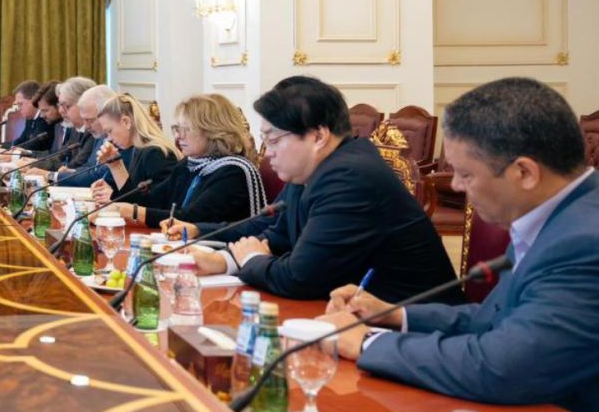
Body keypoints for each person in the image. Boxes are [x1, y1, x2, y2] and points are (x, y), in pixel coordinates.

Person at [321, 78, 599, 410]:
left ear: (525, 172)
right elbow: (498, 318)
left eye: (466, 175)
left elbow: (506, 368)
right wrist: (394, 315)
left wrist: (367, 343)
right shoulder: (553, 215)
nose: (454, 186)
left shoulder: (583, 241)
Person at [178, 76, 460, 303]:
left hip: (416, 330)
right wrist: (222, 261)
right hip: (351, 316)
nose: (268, 152)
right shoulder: (313, 171)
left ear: (318, 136)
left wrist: (250, 259)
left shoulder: (350, 178)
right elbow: (277, 236)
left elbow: (299, 279)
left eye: (274, 140)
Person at [118, 94, 268, 228]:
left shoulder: (234, 172)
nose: (178, 136)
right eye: (177, 129)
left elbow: (190, 220)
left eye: (186, 129)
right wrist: (116, 166)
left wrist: (135, 212)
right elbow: (151, 202)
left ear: (212, 131)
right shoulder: (189, 164)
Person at [90, 93, 180, 209]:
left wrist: (116, 166)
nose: (109, 139)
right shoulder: (136, 150)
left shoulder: (155, 153)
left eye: (109, 131)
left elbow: (152, 207)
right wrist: (111, 190)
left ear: (126, 122)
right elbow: (135, 196)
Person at [57, 84, 115, 188]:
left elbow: (98, 176)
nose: (86, 126)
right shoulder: (100, 136)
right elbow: (90, 166)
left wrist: (54, 176)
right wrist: (72, 172)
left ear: (107, 114)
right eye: (84, 120)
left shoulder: (120, 140)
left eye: (90, 120)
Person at [5, 80, 51, 152]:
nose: (19, 108)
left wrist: (10, 149)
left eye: (20, 104)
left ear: (34, 100)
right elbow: (21, 140)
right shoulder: (30, 118)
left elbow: (33, 145)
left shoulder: (45, 118)